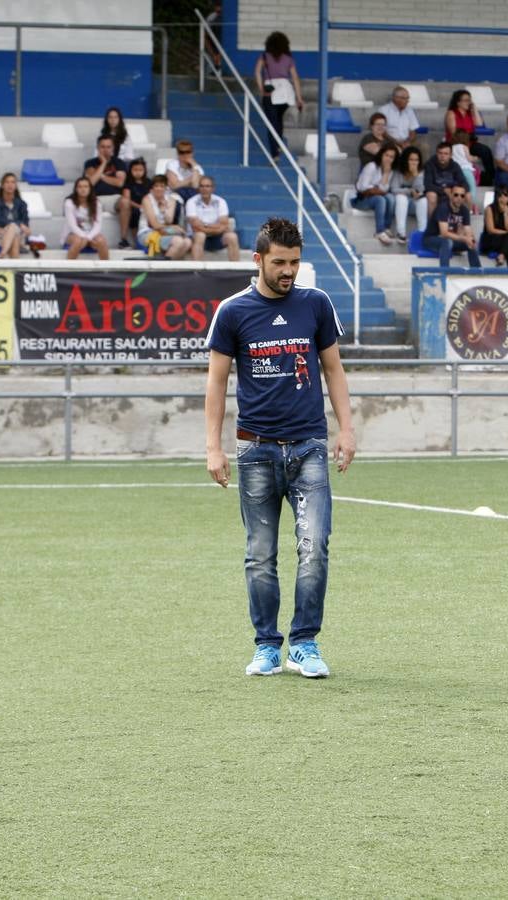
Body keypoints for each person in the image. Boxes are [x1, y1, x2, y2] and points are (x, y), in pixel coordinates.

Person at [204, 217, 355, 679]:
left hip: (309, 447)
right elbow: (216, 382)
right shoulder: (232, 311)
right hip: (255, 452)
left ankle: (305, 643)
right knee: (260, 554)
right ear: (258, 261)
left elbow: (333, 371)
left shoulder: (316, 304)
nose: (289, 271)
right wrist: (213, 446)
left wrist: (345, 429)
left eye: (294, 262)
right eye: (279, 263)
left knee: (315, 548)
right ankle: (267, 645)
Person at [254, 31, 304, 159]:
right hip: (286, 91)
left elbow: (257, 72)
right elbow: (296, 78)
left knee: (272, 122)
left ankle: (275, 152)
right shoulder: (289, 59)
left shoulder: (264, 57)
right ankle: (279, 143)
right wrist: (299, 98)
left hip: (270, 91)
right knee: (279, 119)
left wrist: (261, 89)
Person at [84, 134, 132, 247]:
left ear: (113, 148)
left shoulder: (119, 163)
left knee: (125, 202)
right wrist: (104, 164)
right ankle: (89, 240)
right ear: (98, 148)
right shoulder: (90, 163)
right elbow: (91, 183)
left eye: (108, 147)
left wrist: (101, 176)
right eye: (102, 147)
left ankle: (123, 240)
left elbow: (119, 182)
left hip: (114, 198)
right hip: (95, 197)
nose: (105, 150)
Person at [423, 183, 481, 268]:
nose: (459, 198)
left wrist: (470, 239)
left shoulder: (464, 210)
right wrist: (464, 238)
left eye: (462, 196)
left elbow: (468, 230)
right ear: (451, 195)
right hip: (432, 239)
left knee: (471, 242)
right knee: (447, 241)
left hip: (451, 240)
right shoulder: (443, 208)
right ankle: (445, 272)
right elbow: (444, 233)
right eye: (456, 195)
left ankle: (478, 272)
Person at [186, 176, 240, 261]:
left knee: (232, 236)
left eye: (207, 186)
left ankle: (236, 270)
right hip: (197, 237)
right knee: (200, 235)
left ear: (213, 188)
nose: (204, 189)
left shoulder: (221, 201)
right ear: (198, 188)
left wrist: (204, 225)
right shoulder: (191, 202)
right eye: (202, 186)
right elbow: (195, 226)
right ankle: (196, 271)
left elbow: (224, 224)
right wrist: (217, 227)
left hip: (217, 237)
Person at [445, 89, 493, 186]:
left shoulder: (469, 114)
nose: (469, 102)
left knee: (485, 150)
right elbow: (454, 132)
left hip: (469, 143)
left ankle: (491, 177)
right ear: (458, 102)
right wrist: (467, 137)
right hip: (456, 143)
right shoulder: (451, 113)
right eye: (466, 100)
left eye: (469, 100)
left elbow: (479, 124)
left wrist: (474, 109)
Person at [137, 175, 192, 259]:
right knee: (178, 241)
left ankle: (170, 267)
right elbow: (154, 225)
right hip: (148, 233)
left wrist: (164, 210)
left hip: (163, 231)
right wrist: (174, 227)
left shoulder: (171, 199)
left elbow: (168, 221)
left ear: (166, 188)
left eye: (162, 186)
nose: (159, 189)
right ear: (152, 188)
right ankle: (163, 268)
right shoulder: (147, 199)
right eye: (156, 186)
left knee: (187, 242)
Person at [352, 144, 397, 244]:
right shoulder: (371, 166)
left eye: (391, 157)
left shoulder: (390, 171)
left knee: (390, 198)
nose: (388, 159)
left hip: (374, 198)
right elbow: (363, 188)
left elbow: (384, 189)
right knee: (380, 199)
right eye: (386, 155)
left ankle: (386, 228)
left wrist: (385, 173)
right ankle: (379, 231)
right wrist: (377, 190)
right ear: (381, 155)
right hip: (361, 199)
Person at [0, 172, 30, 258]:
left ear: (16, 186)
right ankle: (15, 268)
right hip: (0, 235)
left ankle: (3, 253)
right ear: (2, 185)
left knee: (13, 229)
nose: (10, 185)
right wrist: (18, 224)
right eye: (7, 182)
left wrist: (14, 226)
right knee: (14, 234)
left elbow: (25, 223)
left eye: (13, 182)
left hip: (17, 234)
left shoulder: (22, 204)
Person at [62, 176, 109, 260]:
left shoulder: (97, 202)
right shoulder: (69, 202)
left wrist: (88, 238)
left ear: (90, 188)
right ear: (76, 189)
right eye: (80, 187)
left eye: (86, 186)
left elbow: (97, 225)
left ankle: (106, 270)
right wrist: (84, 236)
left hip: (91, 234)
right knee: (78, 241)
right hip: (72, 234)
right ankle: (69, 270)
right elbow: (72, 226)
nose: (83, 189)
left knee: (101, 241)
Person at [390, 145, 427, 244]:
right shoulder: (398, 172)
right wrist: (409, 191)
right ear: (405, 160)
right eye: (411, 159)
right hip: (399, 205)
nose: (414, 162)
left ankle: (422, 233)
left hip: (414, 204)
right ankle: (401, 233)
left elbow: (422, 190)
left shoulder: (421, 172)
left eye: (416, 160)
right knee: (401, 197)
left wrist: (416, 175)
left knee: (423, 200)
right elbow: (394, 189)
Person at [480, 184, 508, 268]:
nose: (503, 198)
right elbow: (490, 230)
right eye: (500, 195)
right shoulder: (489, 209)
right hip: (491, 239)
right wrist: (507, 233)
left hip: (505, 240)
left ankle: (502, 256)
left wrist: (505, 213)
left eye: (506, 195)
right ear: (496, 196)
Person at [423, 143, 468, 218]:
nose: (442, 156)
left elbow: (464, 183)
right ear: (436, 153)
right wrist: (443, 190)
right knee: (431, 195)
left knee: (467, 195)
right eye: (440, 153)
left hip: (452, 193)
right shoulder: (429, 165)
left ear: (450, 155)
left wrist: (456, 191)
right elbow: (428, 185)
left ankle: (463, 222)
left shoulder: (455, 166)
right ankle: (432, 224)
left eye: (446, 154)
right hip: (437, 193)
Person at [120, 157, 151, 249]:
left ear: (144, 170)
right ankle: (136, 240)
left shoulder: (148, 182)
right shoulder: (128, 183)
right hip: (134, 207)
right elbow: (127, 198)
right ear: (131, 170)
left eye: (140, 170)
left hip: (147, 207)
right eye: (135, 170)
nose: (138, 172)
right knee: (136, 213)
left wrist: (146, 207)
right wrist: (140, 206)